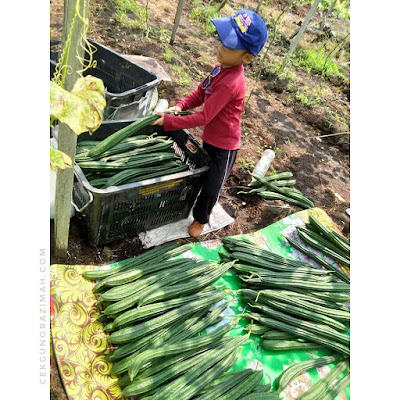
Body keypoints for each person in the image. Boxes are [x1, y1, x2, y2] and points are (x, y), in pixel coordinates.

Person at [152, 9, 268, 238]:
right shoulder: (220, 69)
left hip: (225, 147)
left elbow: (205, 117)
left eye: (230, 46)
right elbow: (200, 93)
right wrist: (181, 105)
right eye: (222, 40)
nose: (221, 47)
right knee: (201, 176)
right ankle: (193, 207)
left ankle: (201, 219)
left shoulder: (231, 82)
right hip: (210, 139)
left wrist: (170, 122)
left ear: (247, 57)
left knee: (212, 187)